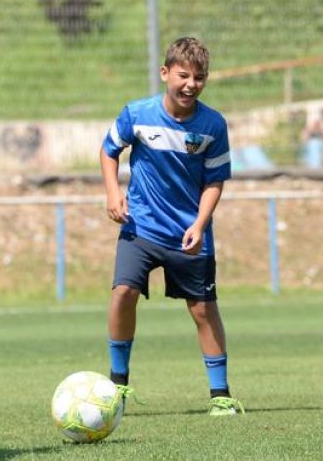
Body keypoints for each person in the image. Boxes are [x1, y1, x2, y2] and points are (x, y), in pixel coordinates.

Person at [99, 37, 244, 416]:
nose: (191, 84)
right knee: (123, 292)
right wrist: (113, 192)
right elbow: (109, 150)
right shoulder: (137, 113)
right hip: (141, 228)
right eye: (183, 75)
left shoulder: (213, 125)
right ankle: (117, 385)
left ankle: (221, 395)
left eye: (199, 77)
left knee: (203, 310)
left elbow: (215, 181)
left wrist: (200, 223)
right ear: (165, 73)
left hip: (188, 234)